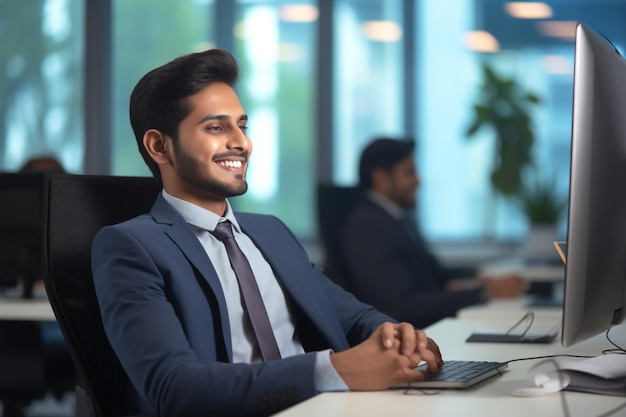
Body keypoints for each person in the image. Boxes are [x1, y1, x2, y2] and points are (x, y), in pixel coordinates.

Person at [91, 50, 443, 417]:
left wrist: (394, 335)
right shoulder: (131, 247)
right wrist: (332, 370)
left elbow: (351, 316)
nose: (242, 143)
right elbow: (174, 389)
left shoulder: (269, 231)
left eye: (242, 125)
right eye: (216, 127)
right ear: (159, 146)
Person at [340, 137, 526, 328]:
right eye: (409, 173)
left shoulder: (399, 219)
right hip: (415, 337)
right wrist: (483, 293)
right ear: (380, 178)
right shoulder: (367, 227)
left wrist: (478, 279)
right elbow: (400, 305)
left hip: (433, 329)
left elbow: (436, 277)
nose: (418, 181)